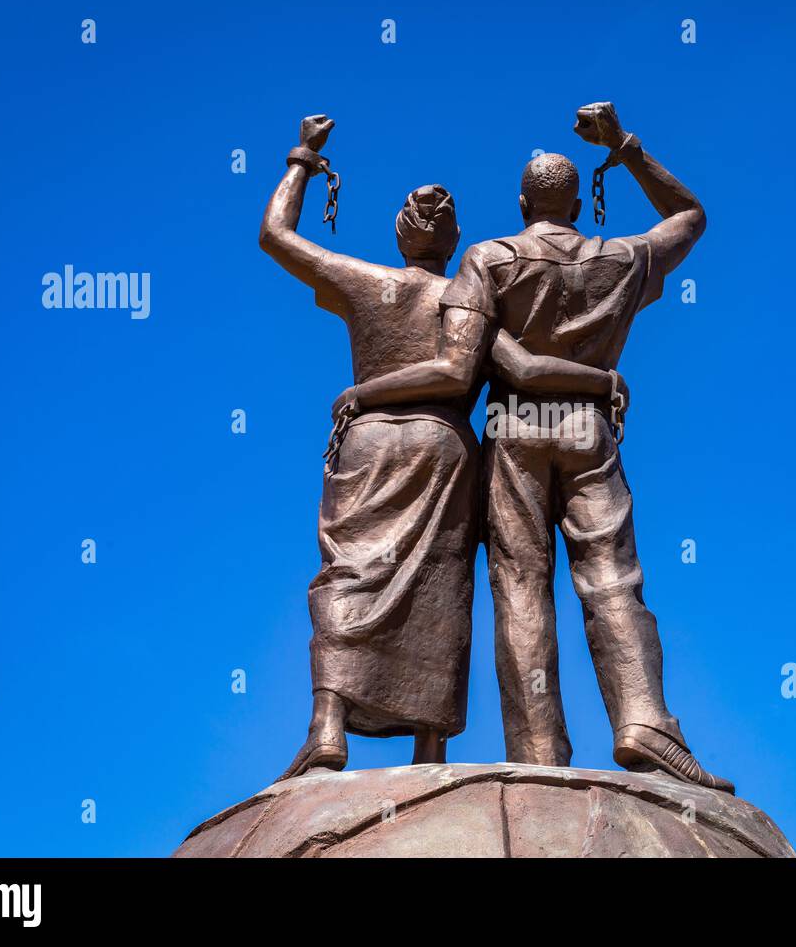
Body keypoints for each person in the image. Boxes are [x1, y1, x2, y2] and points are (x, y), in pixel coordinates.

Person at [348, 103, 733, 792]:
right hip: (591, 430)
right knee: (613, 574)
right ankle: (644, 722)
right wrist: (624, 145)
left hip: (515, 429)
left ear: (523, 203)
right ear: (581, 202)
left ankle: (538, 749)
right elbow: (692, 217)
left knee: (521, 584)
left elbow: (482, 365)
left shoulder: (489, 259)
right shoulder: (621, 259)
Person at [260, 114, 623, 778]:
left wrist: (303, 160)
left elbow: (275, 236)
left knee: (351, 571)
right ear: (454, 240)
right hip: (447, 448)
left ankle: (327, 726)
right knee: (443, 583)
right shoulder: (474, 299)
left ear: (402, 234)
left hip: (371, 443)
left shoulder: (366, 282)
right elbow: (523, 373)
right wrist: (604, 381)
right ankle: (431, 746)